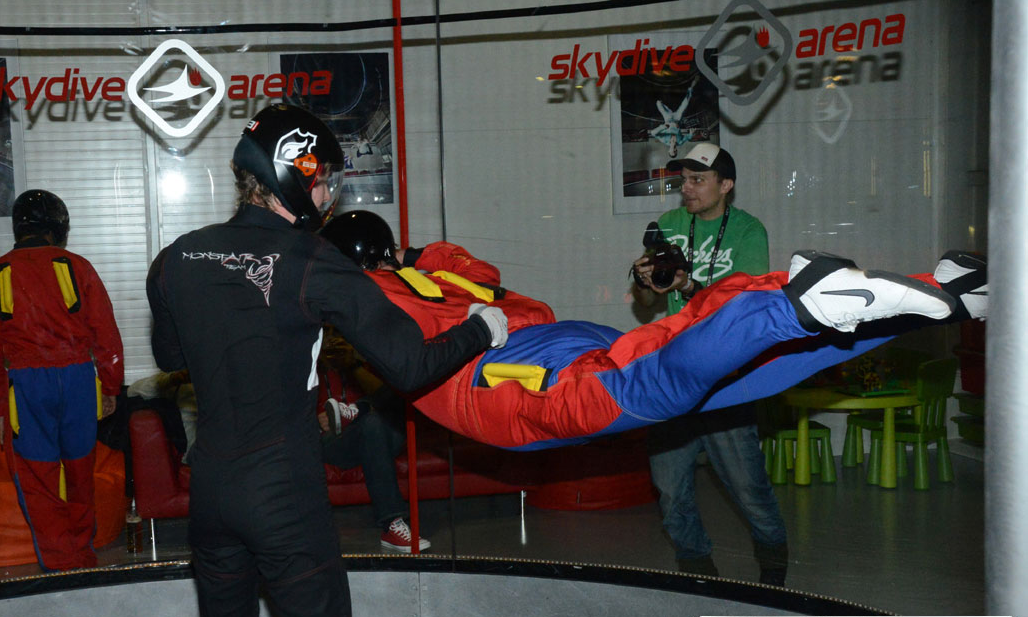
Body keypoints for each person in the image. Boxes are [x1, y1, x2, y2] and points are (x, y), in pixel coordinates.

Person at [148, 104, 504, 617]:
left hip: (211, 489)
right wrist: (483, 329)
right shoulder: (312, 259)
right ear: (294, 176)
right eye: (323, 180)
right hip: (283, 492)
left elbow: (172, 359)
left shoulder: (176, 257)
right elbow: (409, 365)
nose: (327, 196)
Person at [318, 209, 976, 456]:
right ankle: (944, 294)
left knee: (655, 379)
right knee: (731, 373)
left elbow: (398, 363)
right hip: (551, 335)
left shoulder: (355, 292)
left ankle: (791, 303)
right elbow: (477, 267)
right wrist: (416, 257)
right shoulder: (436, 268)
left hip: (498, 379)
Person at [629, 142, 784, 582]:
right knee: (671, 490)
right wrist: (645, 279)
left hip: (727, 378)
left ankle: (773, 582)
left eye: (698, 180)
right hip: (673, 374)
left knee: (749, 490)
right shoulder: (670, 225)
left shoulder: (750, 232)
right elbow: (647, 300)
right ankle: (699, 578)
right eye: (684, 181)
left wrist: (690, 282)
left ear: (726, 185)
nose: (687, 189)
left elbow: (743, 304)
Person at [0, 190, 124, 571]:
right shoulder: (78, 266)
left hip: (26, 388)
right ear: (59, 227)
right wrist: (109, 386)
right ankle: (83, 559)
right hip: (77, 382)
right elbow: (106, 334)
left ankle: (59, 568)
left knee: (38, 479)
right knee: (79, 472)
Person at [318, 330, 427, 552]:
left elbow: (392, 399)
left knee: (385, 409)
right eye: (326, 335)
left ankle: (356, 410)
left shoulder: (363, 365)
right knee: (372, 424)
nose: (331, 341)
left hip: (378, 437)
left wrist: (352, 365)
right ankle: (391, 524)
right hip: (337, 442)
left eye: (336, 334)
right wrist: (315, 421)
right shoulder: (308, 370)